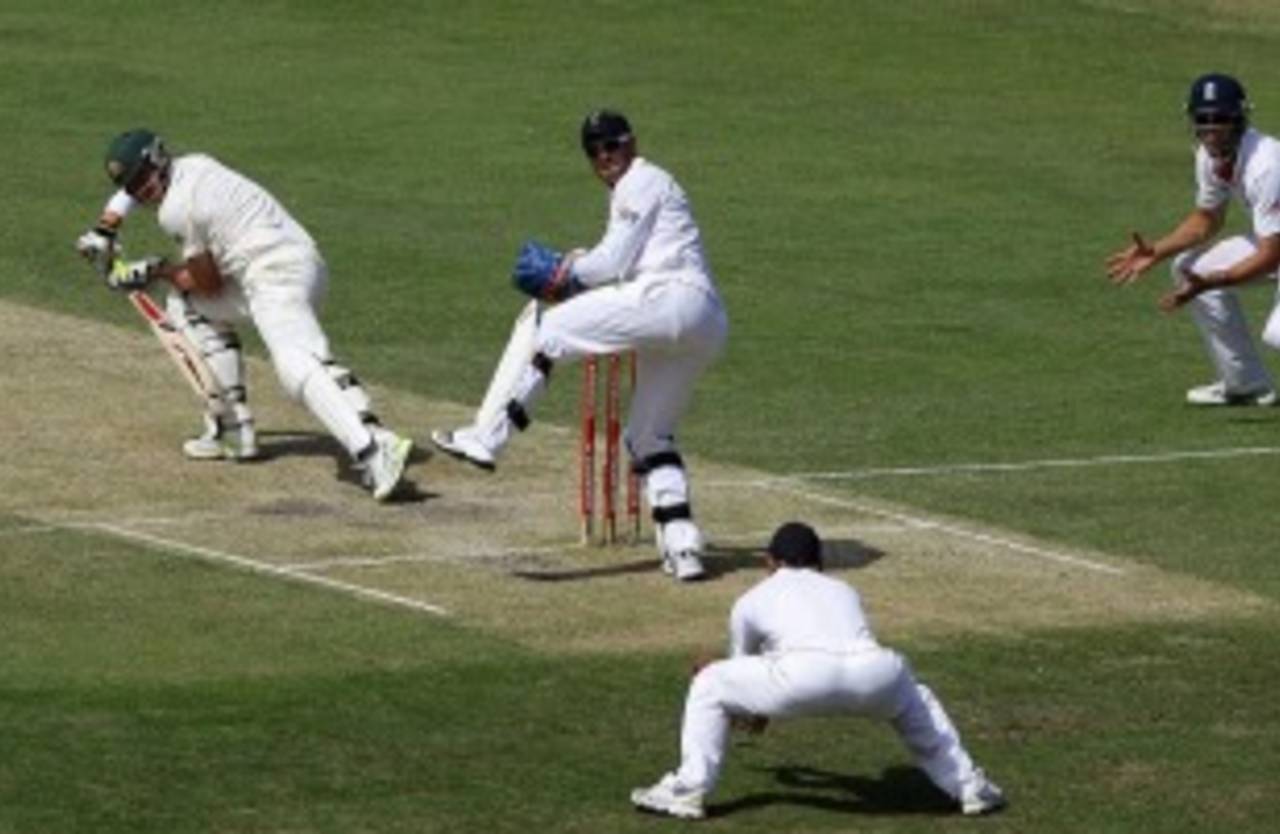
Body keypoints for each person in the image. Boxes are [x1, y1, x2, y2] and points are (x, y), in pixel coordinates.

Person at [431, 109, 729, 581]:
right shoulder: (638, 188)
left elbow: (610, 265)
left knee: (548, 328)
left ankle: (486, 439)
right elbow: (614, 260)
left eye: (612, 146)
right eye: (595, 152)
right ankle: (684, 547)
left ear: (631, 144)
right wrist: (577, 265)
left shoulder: (643, 180)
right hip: (703, 324)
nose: (605, 157)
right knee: (649, 438)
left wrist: (567, 271)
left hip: (669, 297)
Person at [74, 129, 412, 500]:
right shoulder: (196, 164)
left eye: (143, 178)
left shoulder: (176, 210)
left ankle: (374, 448)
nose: (141, 191)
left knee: (294, 364)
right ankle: (232, 431)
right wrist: (105, 228)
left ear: (158, 161)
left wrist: (152, 271)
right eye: (132, 184)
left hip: (273, 275)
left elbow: (207, 283)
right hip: (302, 264)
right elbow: (133, 197)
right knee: (188, 307)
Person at [629, 521, 1006, 820]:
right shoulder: (844, 589)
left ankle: (687, 790)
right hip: (875, 674)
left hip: (801, 677)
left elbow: (741, 667)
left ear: (768, 562)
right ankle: (969, 786)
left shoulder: (750, 600)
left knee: (710, 682)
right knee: (915, 697)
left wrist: (750, 707)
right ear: (819, 563)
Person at [1106, 72, 1280, 406]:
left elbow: (1272, 254)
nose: (1211, 129)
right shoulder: (1209, 155)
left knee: (1276, 334)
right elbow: (1207, 220)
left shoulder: (1266, 165)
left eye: (1220, 119)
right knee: (1190, 267)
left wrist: (1216, 280)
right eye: (1203, 119)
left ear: (1239, 118)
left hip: (1276, 247)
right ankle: (1244, 383)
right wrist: (1156, 251)